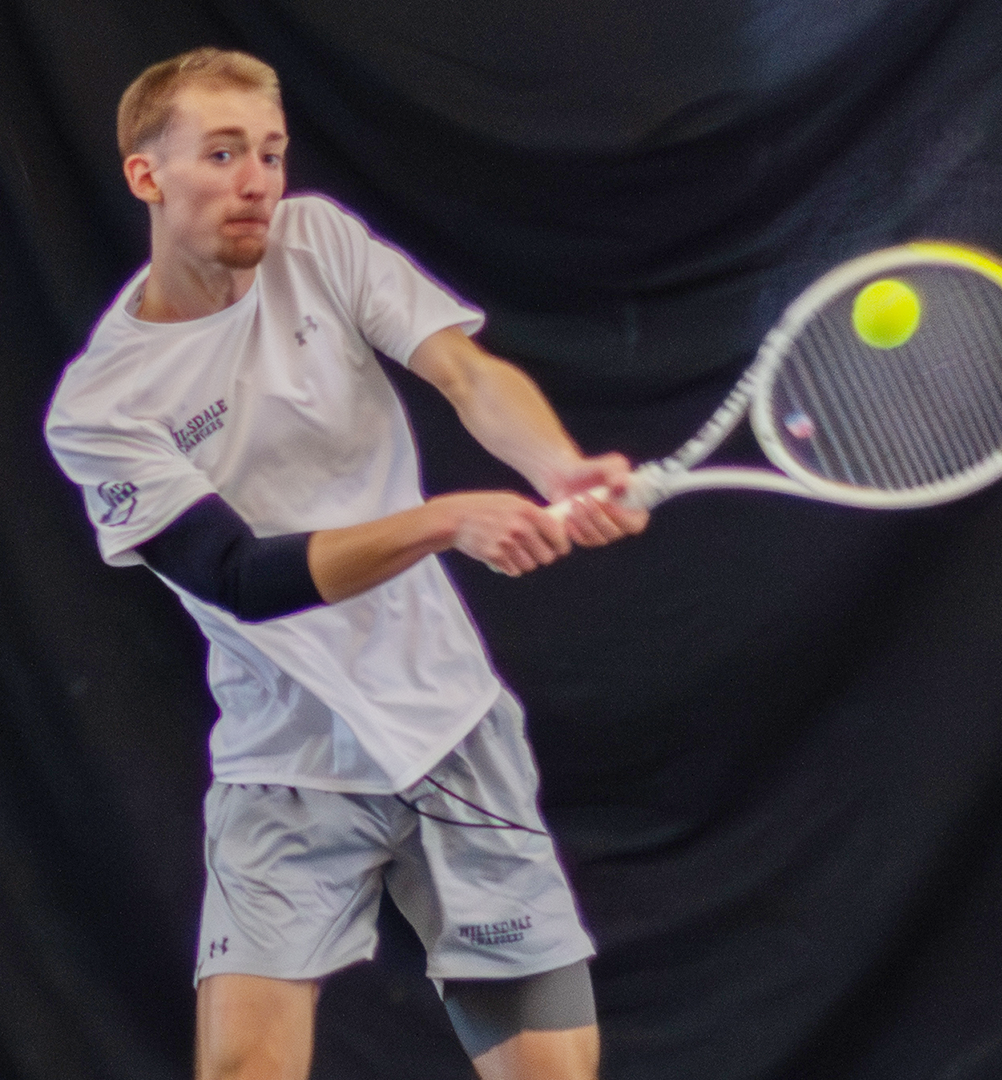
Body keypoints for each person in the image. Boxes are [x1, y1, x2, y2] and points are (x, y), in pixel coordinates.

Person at [44, 46, 647, 1080]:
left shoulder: (318, 241)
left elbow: (464, 373)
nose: (256, 181)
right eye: (222, 153)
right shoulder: (102, 406)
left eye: (270, 153)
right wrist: (442, 522)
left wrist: (558, 467)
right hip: (284, 768)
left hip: (454, 736)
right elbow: (239, 575)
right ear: (147, 175)